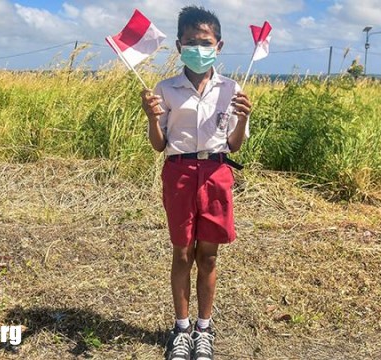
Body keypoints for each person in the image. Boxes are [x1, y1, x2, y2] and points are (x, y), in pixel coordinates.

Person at [140, 5, 252, 360]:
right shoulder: (165, 88)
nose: (198, 49)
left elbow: (234, 143)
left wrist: (243, 119)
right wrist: (152, 119)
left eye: (205, 42)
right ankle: (182, 328)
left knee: (209, 254)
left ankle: (204, 329)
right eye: (190, 42)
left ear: (219, 46)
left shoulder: (231, 88)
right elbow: (159, 146)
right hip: (180, 173)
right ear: (178, 46)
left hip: (217, 173)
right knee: (183, 251)